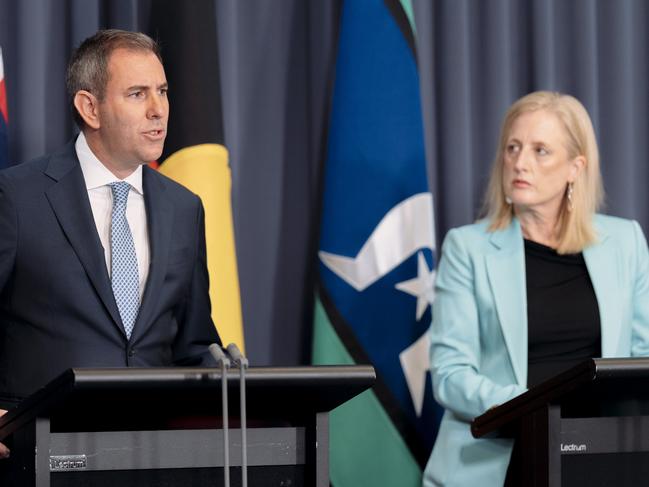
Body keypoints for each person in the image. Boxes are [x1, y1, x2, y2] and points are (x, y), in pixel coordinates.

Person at [0, 30, 222, 456]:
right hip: (36, 454)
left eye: (162, 91)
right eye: (137, 94)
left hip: (150, 456)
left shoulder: (184, 207)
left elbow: (194, 345)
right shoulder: (17, 197)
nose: (158, 110)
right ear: (90, 107)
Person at [423, 91, 649, 486]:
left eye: (540, 150)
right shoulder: (468, 247)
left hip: (601, 453)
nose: (520, 162)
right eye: (513, 147)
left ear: (574, 168)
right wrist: (532, 409)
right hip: (502, 457)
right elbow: (450, 373)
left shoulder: (625, 241)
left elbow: (643, 358)